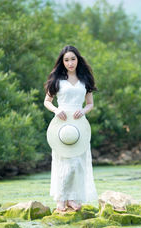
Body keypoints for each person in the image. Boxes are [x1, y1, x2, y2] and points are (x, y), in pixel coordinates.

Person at [44, 45, 98, 212]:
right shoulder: (56, 80)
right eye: (66, 60)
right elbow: (47, 101)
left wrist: (82, 110)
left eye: (73, 59)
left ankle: (72, 198)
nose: (70, 63)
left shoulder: (85, 80)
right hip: (61, 126)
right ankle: (61, 198)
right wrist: (56, 109)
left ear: (78, 60)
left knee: (77, 163)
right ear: (62, 62)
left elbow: (90, 104)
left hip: (78, 126)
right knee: (63, 163)